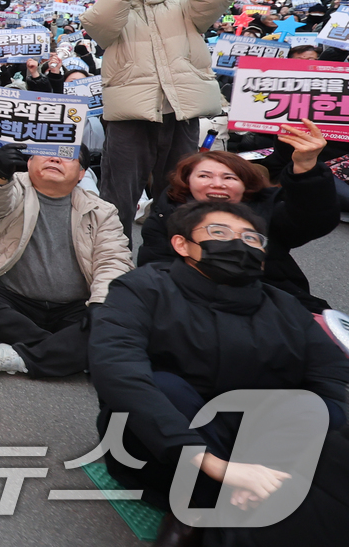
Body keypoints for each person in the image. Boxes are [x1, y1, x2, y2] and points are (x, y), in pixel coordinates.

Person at [89, 199, 349, 545]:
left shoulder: (285, 306)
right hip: (165, 444)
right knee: (163, 385)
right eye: (219, 232)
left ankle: (246, 502)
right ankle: (196, 511)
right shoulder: (142, 288)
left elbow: (332, 382)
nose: (238, 244)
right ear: (182, 244)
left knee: (313, 408)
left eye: (251, 238)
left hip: (265, 454)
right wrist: (216, 465)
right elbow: (117, 367)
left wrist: (278, 454)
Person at [82, 0, 235, 235]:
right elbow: (97, 23)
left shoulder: (184, 6)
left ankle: (171, 261)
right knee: (118, 198)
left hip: (182, 111)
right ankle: (111, 264)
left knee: (179, 193)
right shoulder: (116, 14)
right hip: (131, 116)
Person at [0, 143, 133, 378]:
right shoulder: (13, 187)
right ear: (30, 162)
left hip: (73, 307)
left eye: (66, 156)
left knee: (110, 320)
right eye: (48, 153)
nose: (55, 159)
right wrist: (0, 175)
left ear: (82, 173)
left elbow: (113, 261)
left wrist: (101, 304)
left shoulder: (102, 211)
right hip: (15, 299)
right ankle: (69, 350)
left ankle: (18, 356)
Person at [136, 129, 339, 313]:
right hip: (191, 309)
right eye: (204, 176)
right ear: (187, 183)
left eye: (229, 178)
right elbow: (155, 269)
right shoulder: (166, 214)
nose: (217, 184)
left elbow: (314, 220)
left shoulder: (265, 209)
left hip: (275, 304)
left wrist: (306, 167)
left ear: (246, 187)